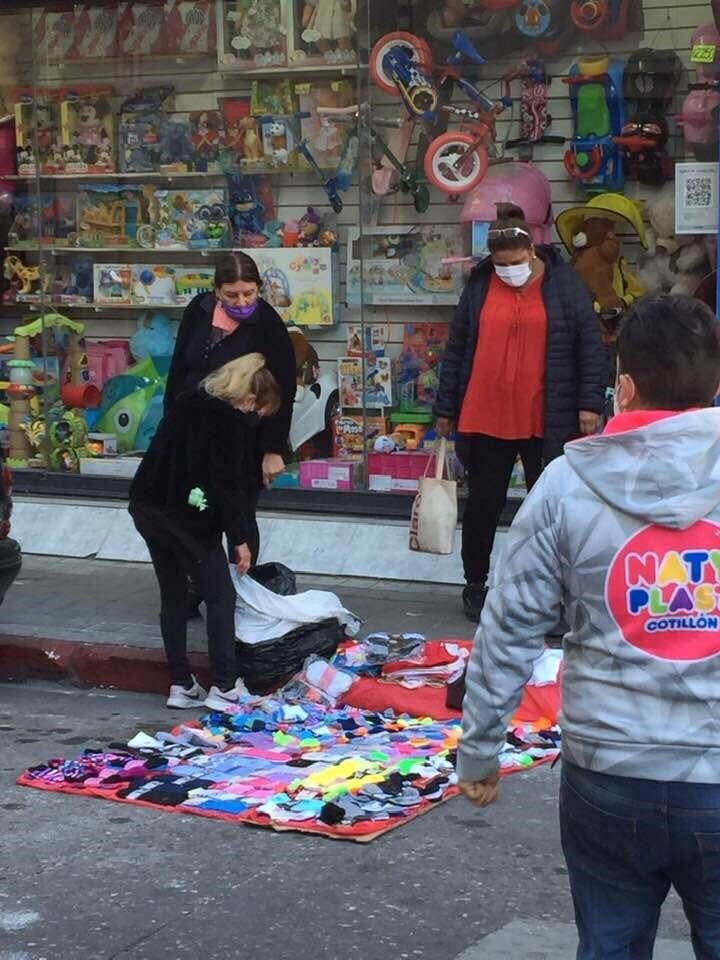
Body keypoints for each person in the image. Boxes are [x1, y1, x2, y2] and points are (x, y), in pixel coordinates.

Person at [458, 294, 720, 959]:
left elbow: (510, 624)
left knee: (610, 943)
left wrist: (480, 747)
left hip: (609, 772)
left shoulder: (565, 484)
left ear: (624, 385)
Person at [434, 203, 606, 622]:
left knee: (549, 510)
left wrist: (589, 405)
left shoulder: (565, 285)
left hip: (544, 415)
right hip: (486, 412)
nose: (508, 270)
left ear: (531, 252)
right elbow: (457, 347)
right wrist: (445, 407)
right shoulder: (478, 285)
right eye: (499, 264)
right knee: (483, 506)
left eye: (514, 262)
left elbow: (590, 345)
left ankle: (553, 592)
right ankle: (475, 584)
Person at [130, 353, 281, 711]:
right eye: (260, 412)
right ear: (249, 400)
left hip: (147, 505)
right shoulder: (231, 422)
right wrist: (241, 539)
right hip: (189, 515)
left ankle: (181, 683)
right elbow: (225, 485)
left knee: (174, 594)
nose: (257, 421)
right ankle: (225, 685)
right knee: (220, 595)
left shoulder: (189, 402)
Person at [165, 251, 296, 612]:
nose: (241, 302)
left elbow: (283, 388)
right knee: (192, 510)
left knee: (237, 512)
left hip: (243, 437)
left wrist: (273, 449)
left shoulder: (267, 324)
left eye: (249, 294)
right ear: (216, 291)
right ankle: (196, 587)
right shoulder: (199, 311)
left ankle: (242, 588)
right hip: (192, 432)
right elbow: (179, 370)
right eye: (232, 295)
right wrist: (169, 427)